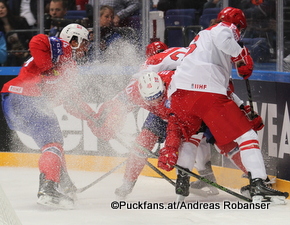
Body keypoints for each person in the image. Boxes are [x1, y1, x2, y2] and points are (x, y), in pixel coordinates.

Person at [157, 7, 289, 203]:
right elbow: (224, 42)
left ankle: (182, 183)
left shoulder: (201, 38)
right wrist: (242, 54)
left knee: (192, 136)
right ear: (237, 24)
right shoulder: (225, 28)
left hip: (179, 93)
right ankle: (258, 185)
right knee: (247, 136)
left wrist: (243, 108)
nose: (239, 34)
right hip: (206, 92)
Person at [1, 23, 99, 209]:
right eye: (84, 42)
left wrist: (93, 117)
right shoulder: (62, 47)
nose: (86, 48)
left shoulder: (69, 67)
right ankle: (47, 188)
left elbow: (72, 102)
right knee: (53, 144)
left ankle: (64, 184)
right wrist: (48, 65)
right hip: (26, 97)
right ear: (73, 39)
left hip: (16, 102)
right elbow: (37, 40)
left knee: (54, 145)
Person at [0, 0, 32, 66]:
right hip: (10, 56)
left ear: (7, 8)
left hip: (26, 51)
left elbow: (30, 37)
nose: (0, 10)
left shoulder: (20, 21)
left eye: (2, 7)